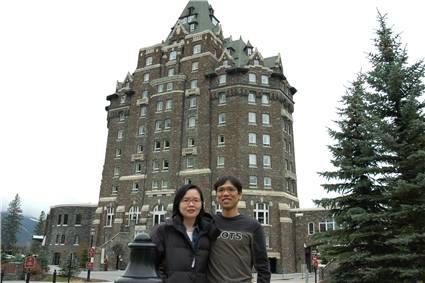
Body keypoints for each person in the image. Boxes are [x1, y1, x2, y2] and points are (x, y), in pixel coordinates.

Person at [207, 175, 271, 283]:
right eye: (221, 190)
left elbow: (263, 266)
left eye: (231, 189)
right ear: (217, 196)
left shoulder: (253, 226)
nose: (225, 193)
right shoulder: (208, 223)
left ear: (240, 195)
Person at [150, 184, 219, 283]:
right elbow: (150, 265)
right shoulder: (163, 230)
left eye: (196, 200)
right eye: (186, 200)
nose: (191, 204)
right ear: (178, 204)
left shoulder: (208, 231)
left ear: (201, 204)